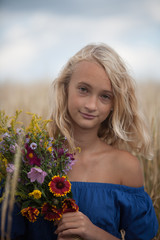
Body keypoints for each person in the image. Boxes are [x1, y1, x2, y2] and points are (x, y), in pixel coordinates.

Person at [0, 43, 158, 240]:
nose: (91, 105)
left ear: (114, 104)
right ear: (65, 88)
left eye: (105, 96)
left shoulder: (126, 167)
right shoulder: (32, 161)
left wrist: (92, 233)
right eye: (83, 89)